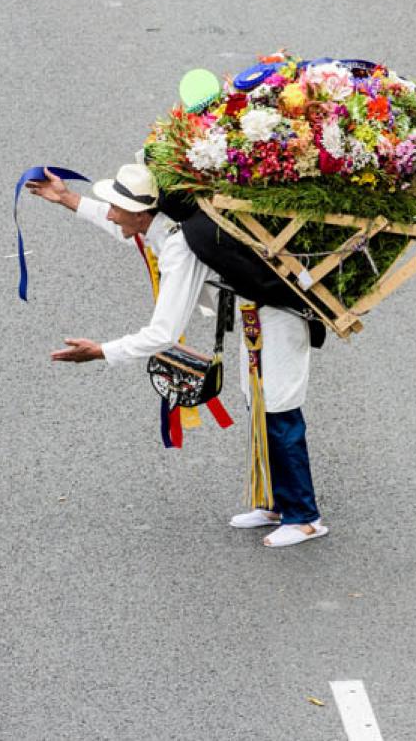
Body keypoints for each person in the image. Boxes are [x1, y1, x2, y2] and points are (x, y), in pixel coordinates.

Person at [27, 163, 328, 548]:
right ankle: (275, 503)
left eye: (116, 207)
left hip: (277, 321)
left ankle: (305, 517)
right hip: (256, 320)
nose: (111, 213)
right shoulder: (164, 224)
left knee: (279, 409)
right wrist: (67, 198)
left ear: (141, 213)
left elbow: (163, 332)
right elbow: (118, 224)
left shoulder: (182, 247)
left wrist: (103, 351)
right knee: (259, 404)